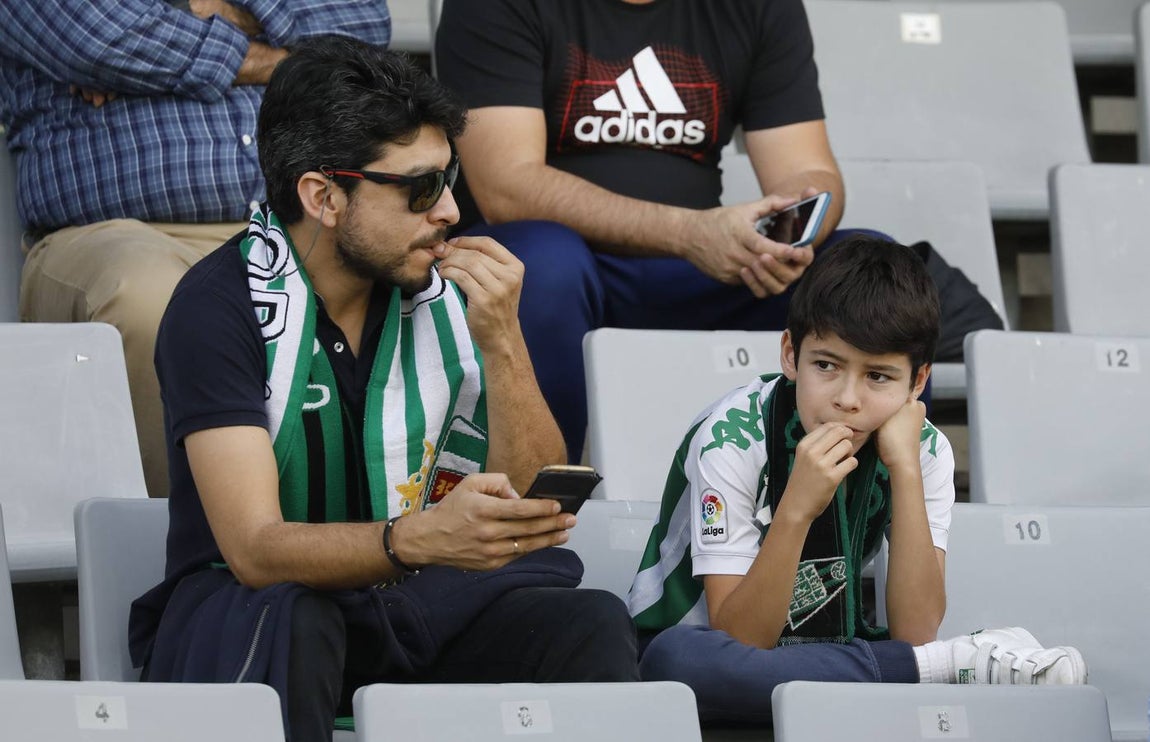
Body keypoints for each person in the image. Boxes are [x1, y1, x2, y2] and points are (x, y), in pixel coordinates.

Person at [128, 38, 639, 742]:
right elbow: (254, 549)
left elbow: (528, 497)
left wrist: (503, 341)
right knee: (300, 617)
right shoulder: (219, 308)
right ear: (323, 196)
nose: (451, 211)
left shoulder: (445, 289)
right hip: (251, 621)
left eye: (449, 178)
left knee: (590, 624)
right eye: (420, 188)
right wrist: (415, 539)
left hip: (406, 611)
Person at [626, 236, 1086, 725]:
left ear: (918, 382)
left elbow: (915, 630)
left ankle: (916, 671)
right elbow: (741, 641)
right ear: (789, 354)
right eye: (826, 365)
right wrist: (797, 509)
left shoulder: (925, 449)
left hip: (834, 658)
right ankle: (948, 667)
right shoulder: (732, 438)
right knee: (676, 661)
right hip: (707, 658)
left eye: (879, 377)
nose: (848, 398)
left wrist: (906, 470)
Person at [0, 0, 391, 498]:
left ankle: (370, 539)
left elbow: (361, 26)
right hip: (119, 235)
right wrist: (286, 59)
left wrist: (172, 31)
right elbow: (101, 40)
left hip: (298, 226)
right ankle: (190, 554)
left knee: (413, 281)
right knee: (150, 298)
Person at [436, 0, 855, 462]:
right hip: (571, 265)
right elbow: (507, 186)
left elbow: (810, 169)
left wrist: (779, 238)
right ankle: (541, 506)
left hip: (708, 267)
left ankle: (865, 503)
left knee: (863, 265)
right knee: (542, 265)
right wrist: (688, 233)